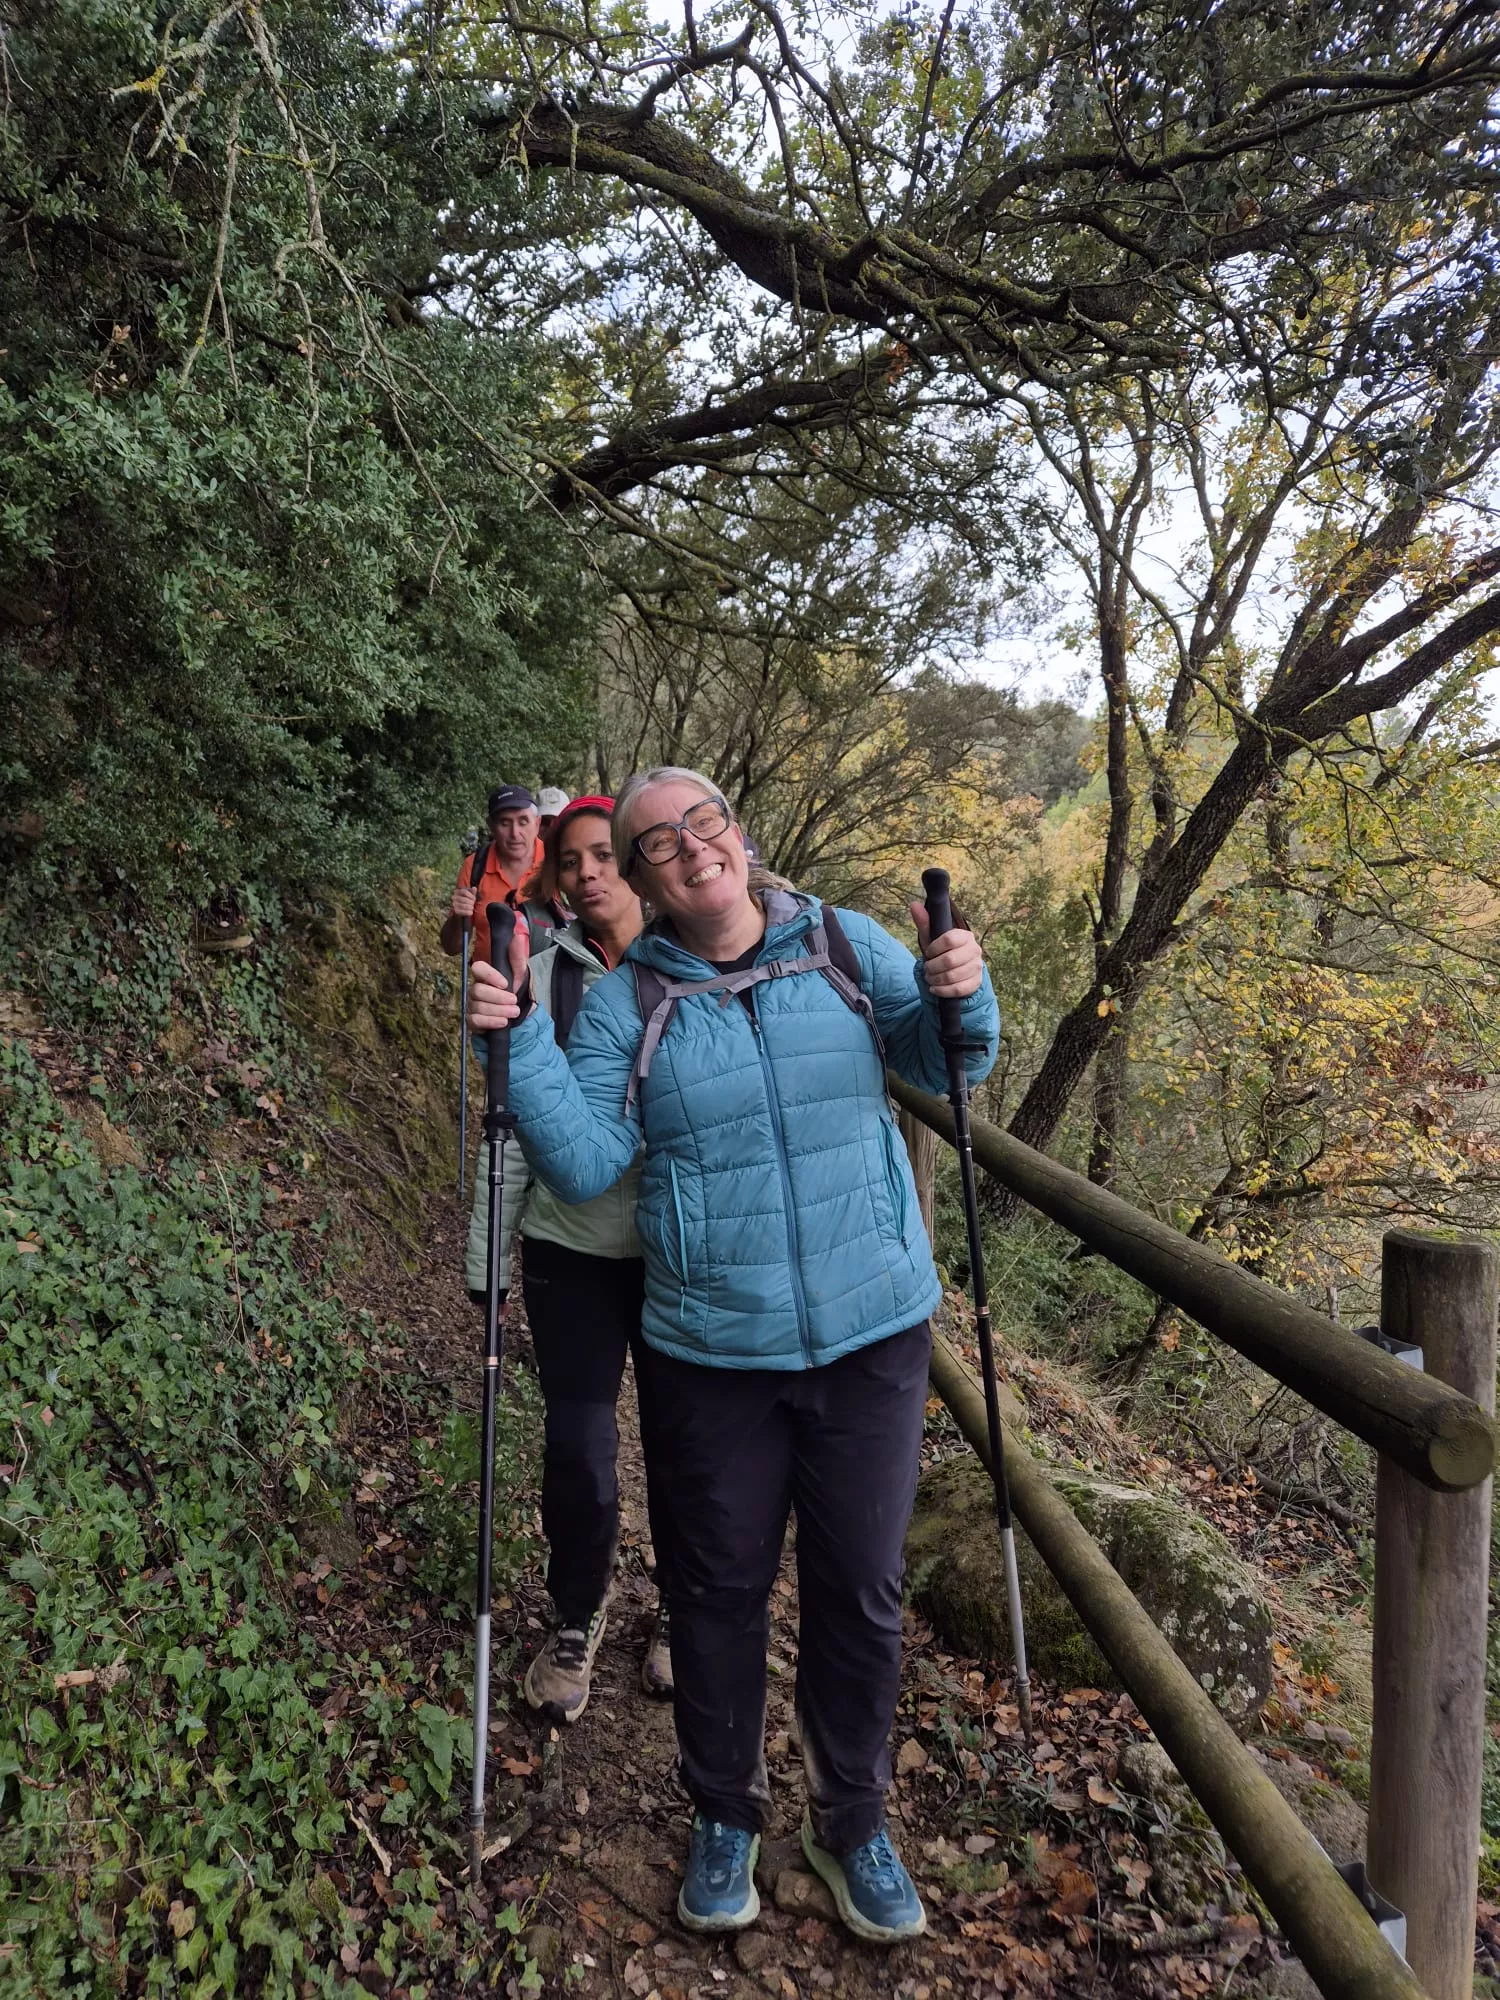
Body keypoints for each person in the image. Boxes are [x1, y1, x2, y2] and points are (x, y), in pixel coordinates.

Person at [470, 765, 997, 1947]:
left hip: (873, 1334)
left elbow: (950, 1058)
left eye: (703, 822)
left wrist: (968, 989)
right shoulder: (627, 999)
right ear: (647, 879)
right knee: (715, 1592)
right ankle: (723, 1812)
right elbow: (590, 1161)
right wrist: (519, 1048)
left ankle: (851, 1815)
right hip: (711, 1348)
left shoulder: (847, 948)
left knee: (862, 1591)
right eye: (659, 842)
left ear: (738, 834)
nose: (690, 846)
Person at [463, 797, 673, 1716]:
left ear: (636, 864)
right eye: (571, 860)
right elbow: (506, 1129)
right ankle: (576, 1615)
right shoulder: (536, 976)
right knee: (581, 1450)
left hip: (678, 1251)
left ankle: (680, 1605)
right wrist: (487, 1259)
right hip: (569, 1249)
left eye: (604, 856)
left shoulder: (697, 969)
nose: (588, 874)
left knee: (686, 1447)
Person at [440, 785, 564, 970]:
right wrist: (459, 918)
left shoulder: (556, 864)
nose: (515, 833)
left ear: (536, 824)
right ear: (491, 826)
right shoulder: (475, 867)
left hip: (547, 987)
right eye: (505, 823)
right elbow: (452, 948)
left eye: (523, 821)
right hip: (491, 988)